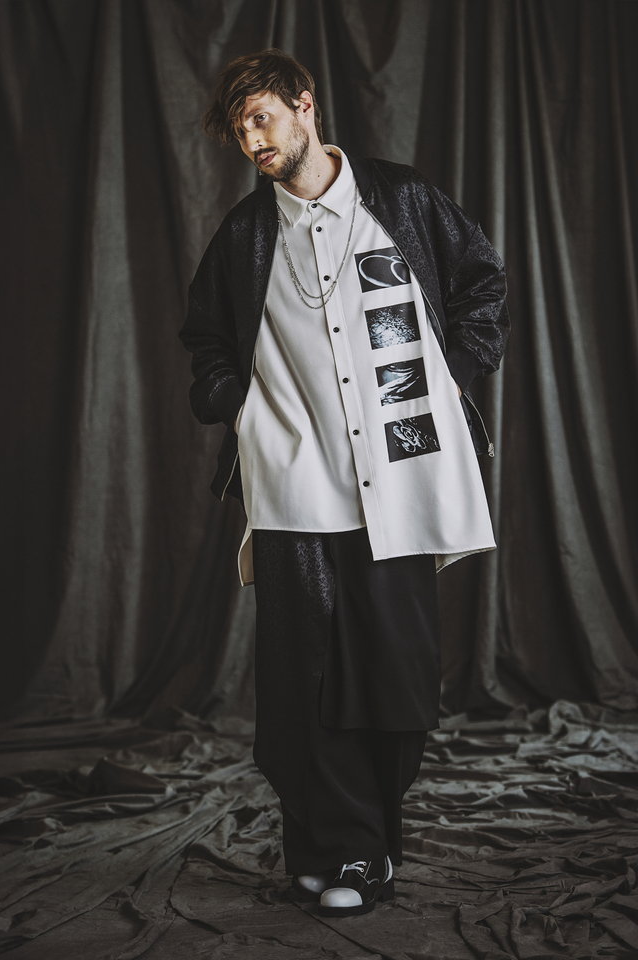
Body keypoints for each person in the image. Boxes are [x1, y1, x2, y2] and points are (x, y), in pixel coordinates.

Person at [180, 48, 509, 918]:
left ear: (304, 103)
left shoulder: (402, 200)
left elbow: (483, 284)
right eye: (240, 129)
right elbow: (204, 342)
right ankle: (341, 852)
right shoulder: (246, 237)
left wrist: (453, 377)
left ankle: (365, 845)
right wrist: (241, 410)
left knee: (395, 676)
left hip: (398, 484)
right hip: (296, 489)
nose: (253, 140)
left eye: (261, 117)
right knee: (309, 682)